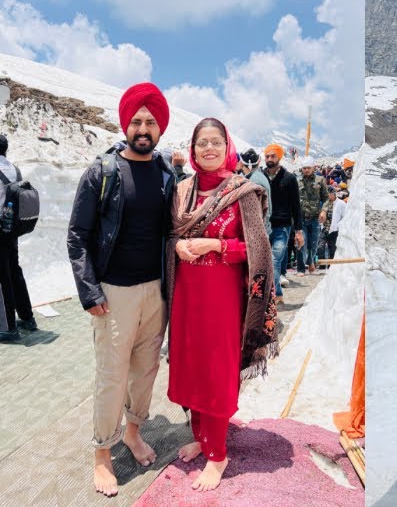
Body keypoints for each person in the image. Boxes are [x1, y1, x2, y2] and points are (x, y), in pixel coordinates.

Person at [67, 83, 178, 497]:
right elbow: (77, 236)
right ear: (125, 125)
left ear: (160, 128)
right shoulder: (103, 171)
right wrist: (90, 291)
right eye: (137, 121)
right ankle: (102, 453)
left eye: (150, 121)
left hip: (156, 293)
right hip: (114, 294)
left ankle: (133, 432)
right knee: (111, 375)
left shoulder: (167, 174)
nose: (143, 128)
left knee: (145, 372)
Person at [166, 117, 277, 491]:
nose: (208, 149)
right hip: (187, 298)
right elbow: (170, 236)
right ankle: (202, 437)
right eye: (201, 143)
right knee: (192, 366)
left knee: (215, 370)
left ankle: (218, 454)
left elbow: (258, 250)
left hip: (222, 301)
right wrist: (177, 246)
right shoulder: (182, 191)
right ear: (193, 149)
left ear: (226, 146)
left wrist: (218, 246)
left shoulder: (242, 191)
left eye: (216, 142)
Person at [0, 134, 35, 342]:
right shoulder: (14, 169)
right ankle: (27, 318)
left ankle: (9, 328)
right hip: (12, 228)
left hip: (0, 229)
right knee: (14, 270)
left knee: (3, 276)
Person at [262, 144, 302, 300]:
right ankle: (277, 293)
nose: (269, 159)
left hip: (282, 227)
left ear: (279, 157)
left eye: (272, 156)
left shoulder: (289, 178)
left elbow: (296, 206)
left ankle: (273, 295)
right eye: (267, 156)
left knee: (275, 261)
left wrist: (298, 231)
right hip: (264, 226)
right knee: (266, 261)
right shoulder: (261, 177)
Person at [297, 156, 327, 274]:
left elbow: (326, 198)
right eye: (304, 168)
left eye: (308, 168)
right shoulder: (296, 180)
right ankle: (300, 269)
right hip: (301, 218)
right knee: (300, 243)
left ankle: (310, 261)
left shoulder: (320, 180)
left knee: (313, 244)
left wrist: (324, 211)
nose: (306, 170)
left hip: (315, 218)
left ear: (313, 168)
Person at [322, 186, 346, 265]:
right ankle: (321, 264)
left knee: (332, 247)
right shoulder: (324, 202)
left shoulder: (341, 203)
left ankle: (331, 264)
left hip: (334, 229)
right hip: (324, 227)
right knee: (320, 246)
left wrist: (338, 225)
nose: (328, 196)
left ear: (334, 194)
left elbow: (345, 216)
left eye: (329, 194)